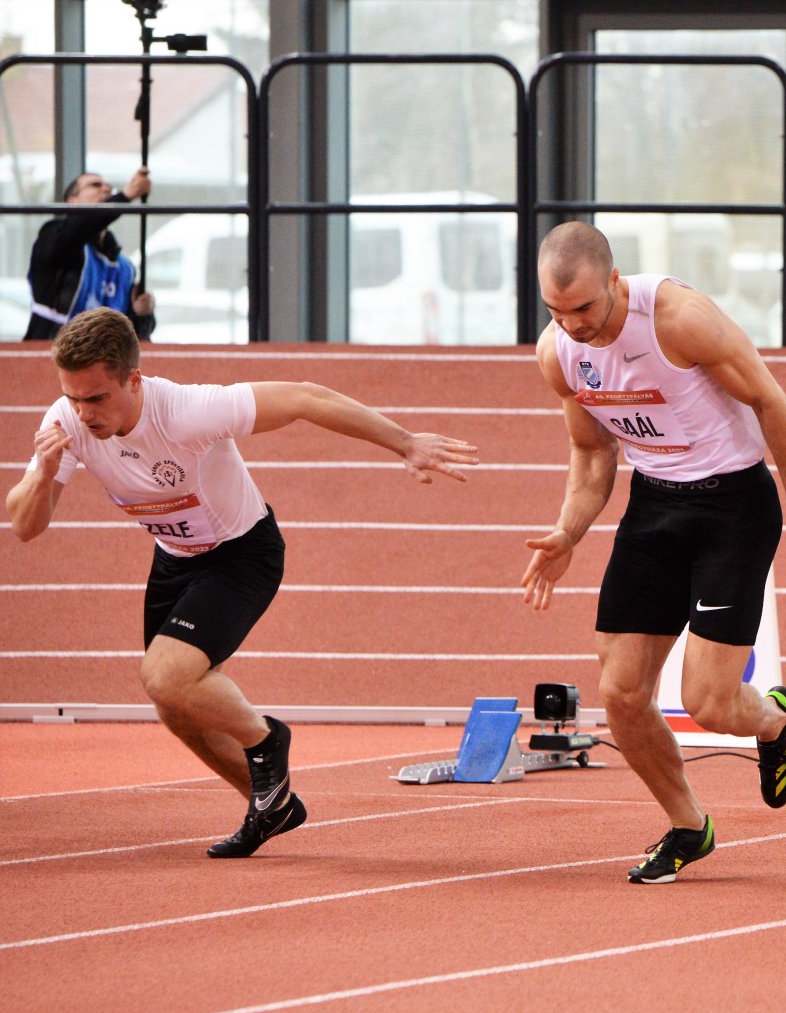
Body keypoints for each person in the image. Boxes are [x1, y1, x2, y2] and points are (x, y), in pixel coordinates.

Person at [7, 308, 478, 857]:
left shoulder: (187, 411)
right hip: (175, 559)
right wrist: (43, 472)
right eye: (73, 397)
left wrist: (404, 442)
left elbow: (306, 398)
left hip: (242, 554)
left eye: (96, 398)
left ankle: (266, 738)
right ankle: (271, 806)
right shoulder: (66, 422)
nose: (84, 413)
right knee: (176, 707)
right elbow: (24, 526)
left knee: (163, 676)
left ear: (133, 380)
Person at [520, 221, 786, 885]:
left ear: (613, 281)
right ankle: (689, 826)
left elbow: (770, 401)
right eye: (556, 312)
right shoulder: (558, 352)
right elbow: (591, 452)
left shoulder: (678, 319)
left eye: (583, 308)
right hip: (655, 506)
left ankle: (774, 722)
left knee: (708, 703)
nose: (573, 325)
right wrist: (567, 532)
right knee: (621, 693)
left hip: (733, 507)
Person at [27, 167, 156, 342]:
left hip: (105, 360)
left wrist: (143, 315)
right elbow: (77, 229)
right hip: (53, 353)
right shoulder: (54, 239)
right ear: (72, 201)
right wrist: (125, 196)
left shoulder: (125, 268)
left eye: (109, 187)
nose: (106, 189)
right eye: (95, 185)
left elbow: (132, 334)